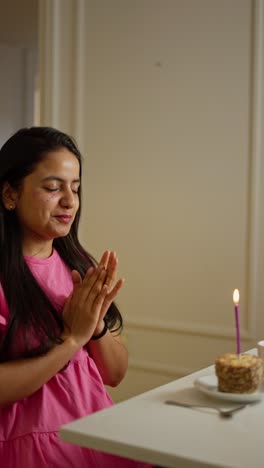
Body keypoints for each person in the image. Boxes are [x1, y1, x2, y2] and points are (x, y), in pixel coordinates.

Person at [0, 127, 151, 467]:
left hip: (96, 433)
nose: (69, 200)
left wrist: (95, 327)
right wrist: (71, 342)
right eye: (53, 188)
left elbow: (114, 373)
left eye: (76, 188)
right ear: (10, 194)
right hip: (31, 450)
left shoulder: (78, 267)